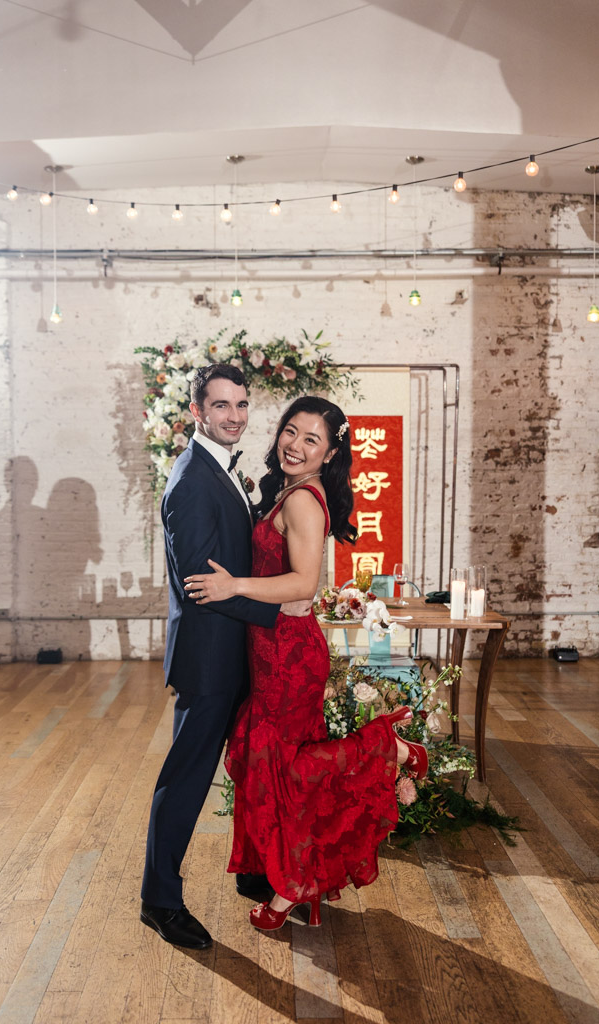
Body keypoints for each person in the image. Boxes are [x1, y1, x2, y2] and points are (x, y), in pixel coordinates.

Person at [184, 396, 427, 931]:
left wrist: (233, 585)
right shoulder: (289, 491)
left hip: (290, 654)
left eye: (311, 439)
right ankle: (294, 880)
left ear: (330, 452)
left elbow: (303, 584)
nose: (295, 445)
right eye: (290, 432)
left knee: (288, 773)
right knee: (273, 766)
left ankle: (291, 888)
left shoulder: (302, 501)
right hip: (274, 650)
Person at [140, 364, 309, 950]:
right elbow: (203, 584)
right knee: (185, 780)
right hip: (209, 662)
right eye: (222, 406)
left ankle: (252, 871)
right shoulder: (190, 480)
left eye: (241, 404)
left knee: (247, 766)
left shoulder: (223, 470)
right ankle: (159, 900)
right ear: (198, 412)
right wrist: (277, 610)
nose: (234, 416)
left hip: (237, 655)